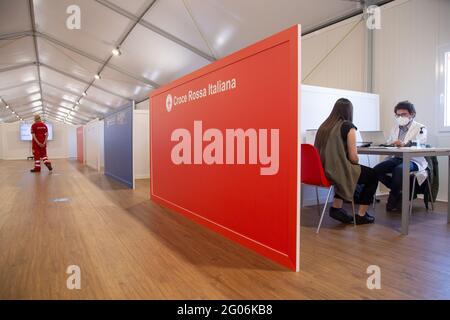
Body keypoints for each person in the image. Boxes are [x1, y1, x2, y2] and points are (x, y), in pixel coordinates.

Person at [315, 98, 378, 225]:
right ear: (349, 111)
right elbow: (353, 157)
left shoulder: (324, 126)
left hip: (321, 171)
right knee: (373, 175)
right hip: (336, 172)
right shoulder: (348, 126)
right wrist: (356, 162)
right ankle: (361, 215)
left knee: (351, 172)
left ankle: (337, 208)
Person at [373, 101, 427, 211]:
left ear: (412, 114)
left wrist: (404, 144)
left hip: (414, 160)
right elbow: (389, 141)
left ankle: (393, 197)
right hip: (397, 157)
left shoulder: (421, 127)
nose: (400, 117)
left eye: (403, 114)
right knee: (376, 171)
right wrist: (386, 143)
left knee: (399, 170)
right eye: (398, 115)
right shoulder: (395, 128)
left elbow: (421, 143)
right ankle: (399, 193)